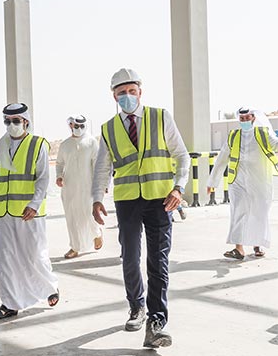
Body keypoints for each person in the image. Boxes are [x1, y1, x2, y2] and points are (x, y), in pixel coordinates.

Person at [92, 68, 190, 348]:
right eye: (121, 93)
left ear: (140, 92)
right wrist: (96, 198)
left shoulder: (161, 117)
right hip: (127, 201)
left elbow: (181, 155)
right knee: (130, 256)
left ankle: (156, 321)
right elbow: (103, 166)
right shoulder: (108, 128)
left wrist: (178, 187)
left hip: (161, 199)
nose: (127, 96)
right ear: (113, 96)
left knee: (158, 261)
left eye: (131, 91)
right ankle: (136, 305)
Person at [0, 103, 59, 321]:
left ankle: (50, 287)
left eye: (16, 121)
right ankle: (9, 303)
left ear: (26, 121)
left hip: (29, 213)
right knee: (5, 259)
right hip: (5, 212)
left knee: (34, 255)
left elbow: (43, 177)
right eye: (7, 121)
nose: (11, 125)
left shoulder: (38, 145)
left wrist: (34, 204)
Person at [207, 107, 278, 259]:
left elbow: (276, 145)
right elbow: (221, 159)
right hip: (237, 181)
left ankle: (257, 244)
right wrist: (212, 181)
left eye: (247, 118)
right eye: (242, 118)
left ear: (253, 118)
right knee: (237, 211)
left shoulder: (263, 133)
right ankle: (238, 249)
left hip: (259, 180)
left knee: (258, 212)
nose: (244, 121)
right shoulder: (233, 136)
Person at [56, 114, 103, 259]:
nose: (79, 128)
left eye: (82, 126)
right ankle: (75, 247)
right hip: (69, 186)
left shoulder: (91, 142)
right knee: (71, 216)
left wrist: (100, 184)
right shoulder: (65, 144)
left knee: (89, 213)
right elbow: (59, 163)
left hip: (88, 185)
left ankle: (96, 233)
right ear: (71, 126)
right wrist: (59, 176)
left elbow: (97, 163)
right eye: (76, 126)